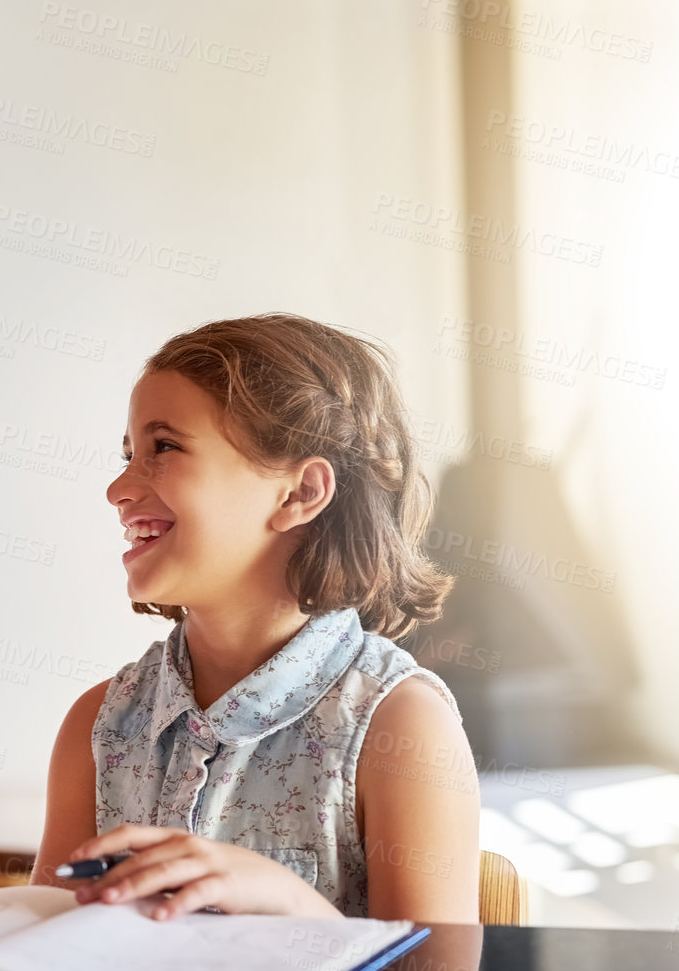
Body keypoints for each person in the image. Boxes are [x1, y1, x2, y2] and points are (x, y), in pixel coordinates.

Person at [33, 314, 480, 924]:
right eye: (128, 453)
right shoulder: (97, 726)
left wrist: (290, 900)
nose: (118, 488)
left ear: (299, 494)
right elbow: (40, 958)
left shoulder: (402, 729)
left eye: (163, 447)